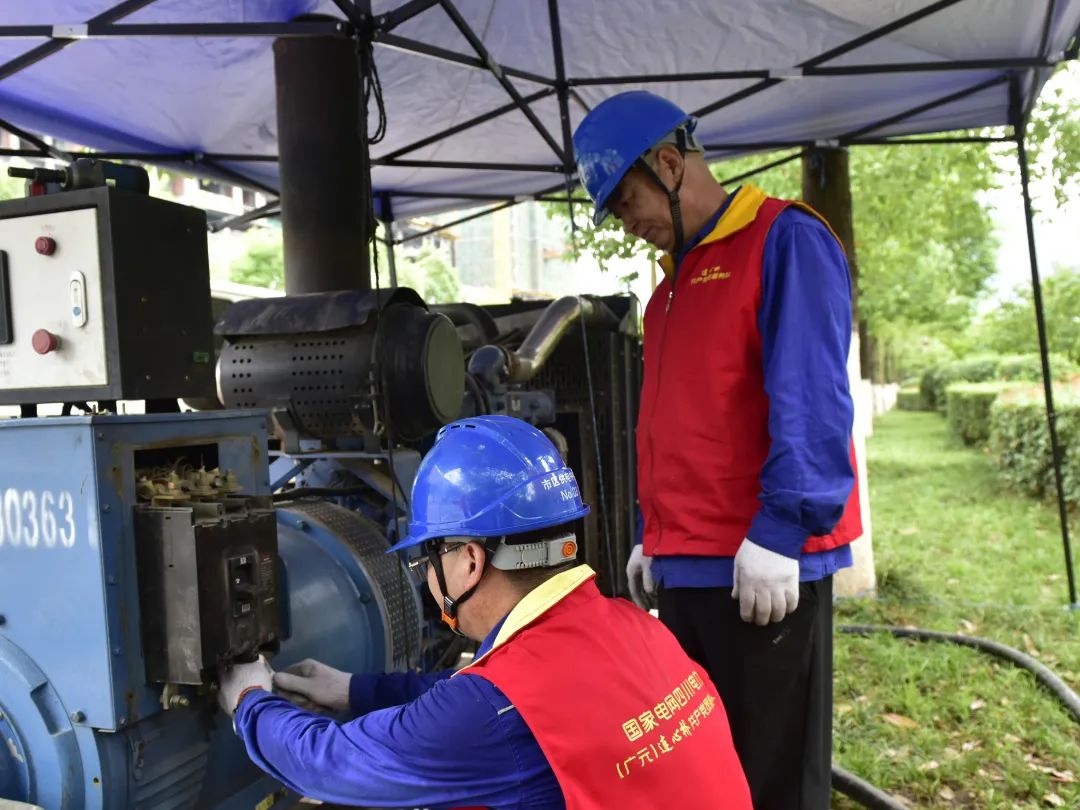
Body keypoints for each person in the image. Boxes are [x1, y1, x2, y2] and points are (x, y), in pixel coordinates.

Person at [218, 414, 751, 809]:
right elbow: (493, 699)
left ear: (470, 561)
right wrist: (355, 690)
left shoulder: (495, 712)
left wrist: (249, 701)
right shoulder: (636, 630)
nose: (428, 578)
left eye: (429, 558)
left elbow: (330, 765)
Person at [572, 90, 862, 810]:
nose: (625, 224)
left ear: (669, 164)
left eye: (625, 201)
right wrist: (652, 537)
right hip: (688, 566)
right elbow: (679, 424)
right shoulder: (666, 290)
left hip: (762, 563)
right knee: (707, 770)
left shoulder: (784, 240)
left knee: (773, 773)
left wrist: (782, 530)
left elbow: (813, 399)